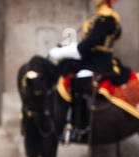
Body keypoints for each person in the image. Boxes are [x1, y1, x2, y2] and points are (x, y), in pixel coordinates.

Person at [48, 0, 134, 144]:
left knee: (80, 79)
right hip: (90, 59)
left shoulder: (107, 17)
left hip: (100, 62)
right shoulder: (98, 16)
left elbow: (88, 44)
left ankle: (78, 127)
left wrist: (61, 52)